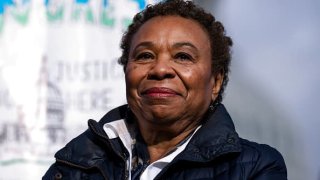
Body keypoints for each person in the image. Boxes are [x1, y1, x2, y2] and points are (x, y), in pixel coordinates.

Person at [43, 0, 287, 179]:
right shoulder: (74, 164)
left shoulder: (255, 167)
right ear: (126, 71)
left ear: (215, 82)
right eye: (145, 55)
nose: (160, 69)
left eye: (182, 56)